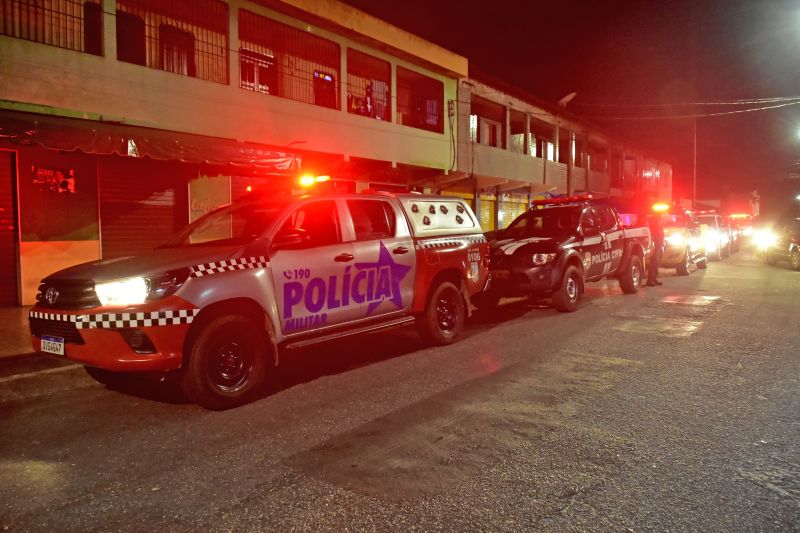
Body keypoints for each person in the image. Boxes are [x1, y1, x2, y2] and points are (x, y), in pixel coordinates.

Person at [646, 213, 664, 286]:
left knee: (657, 262)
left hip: (659, 244)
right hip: (655, 244)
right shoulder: (653, 223)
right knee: (654, 261)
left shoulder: (659, 223)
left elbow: (661, 233)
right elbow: (653, 235)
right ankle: (650, 280)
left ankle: (654, 278)